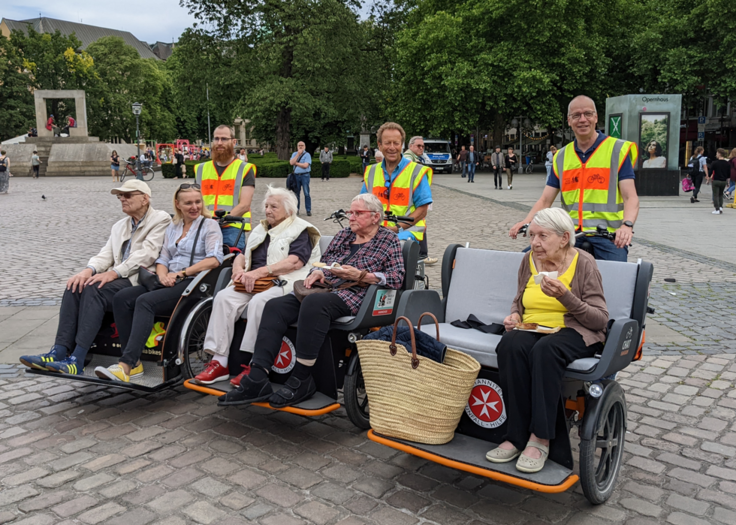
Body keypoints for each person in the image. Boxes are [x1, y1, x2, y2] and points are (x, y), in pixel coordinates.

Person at [218, 193, 405, 407]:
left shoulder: (388, 239)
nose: (350, 217)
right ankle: (258, 377)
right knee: (274, 306)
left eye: (357, 213)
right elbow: (323, 262)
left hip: (357, 293)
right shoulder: (344, 234)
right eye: (349, 212)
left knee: (313, 304)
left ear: (375, 217)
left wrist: (362, 276)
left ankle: (302, 378)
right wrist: (317, 272)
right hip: (324, 288)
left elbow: (396, 277)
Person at [487, 208, 607, 473]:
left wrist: (566, 296)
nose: (535, 243)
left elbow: (599, 319)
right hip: (533, 327)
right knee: (509, 345)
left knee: (546, 350)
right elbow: (519, 299)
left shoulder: (583, 262)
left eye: (543, 236)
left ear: (564, 238)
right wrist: (514, 315)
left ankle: (541, 437)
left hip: (574, 329)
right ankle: (516, 434)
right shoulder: (529, 260)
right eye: (532, 236)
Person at [19, 181, 171, 374]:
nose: (122, 199)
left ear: (145, 198)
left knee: (95, 289)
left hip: (138, 279)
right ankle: (59, 351)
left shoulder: (160, 219)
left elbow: (147, 254)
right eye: (120, 196)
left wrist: (113, 273)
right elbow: (105, 254)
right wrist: (88, 270)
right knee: (75, 286)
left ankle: (78, 358)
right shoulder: (119, 226)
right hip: (117, 278)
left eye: (128, 195)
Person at [193, 186, 322, 385]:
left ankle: (254, 364)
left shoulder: (301, 229)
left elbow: (294, 262)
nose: (268, 210)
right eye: (266, 206)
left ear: (289, 210)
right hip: (252, 281)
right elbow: (243, 255)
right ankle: (219, 361)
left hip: (284, 282)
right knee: (223, 298)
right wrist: (237, 268)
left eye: (274, 207)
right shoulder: (261, 228)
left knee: (260, 303)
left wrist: (260, 272)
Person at [96, 184, 224, 382]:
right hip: (170, 279)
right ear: (177, 204)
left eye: (197, 202)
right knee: (122, 298)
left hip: (194, 282)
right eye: (188, 203)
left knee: (145, 302)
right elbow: (163, 258)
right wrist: (163, 275)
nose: (194, 207)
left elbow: (214, 259)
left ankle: (126, 365)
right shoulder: (173, 226)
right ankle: (136, 362)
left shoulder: (209, 225)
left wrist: (180, 274)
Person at [509, 95, 640, 262]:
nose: (582, 119)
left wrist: (627, 226)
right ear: (569, 121)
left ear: (596, 117)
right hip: (570, 234)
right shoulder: (562, 156)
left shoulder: (617, 150)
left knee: (616, 277)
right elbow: (545, 200)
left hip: (607, 236)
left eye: (588, 114)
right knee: (527, 261)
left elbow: (631, 197)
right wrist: (526, 221)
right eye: (576, 115)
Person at [361, 122, 433, 248]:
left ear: (402, 145)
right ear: (380, 145)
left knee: (393, 246)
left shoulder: (416, 171)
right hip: (377, 232)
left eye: (396, 143)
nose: (392, 147)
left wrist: (396, 228)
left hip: (406, 232)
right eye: (388, 143)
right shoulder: (371, 171)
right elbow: (362, 205)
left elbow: (422, 210)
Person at [195, 125, 257, 251]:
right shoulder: (201, 169)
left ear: (233, 142)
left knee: (232, 263)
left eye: (224, 139)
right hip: (204, 225)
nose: (219, 143)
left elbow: (244, 205)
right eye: (216, 139)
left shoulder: (244, 169)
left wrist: (220, 222)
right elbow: (194, 199)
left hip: (232, 226)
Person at [402, 136, 438, 265]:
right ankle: (421, 255)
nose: (421, 148)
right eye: (418, 146)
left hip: (417, 198)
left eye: (422, 146)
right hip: (412, 201)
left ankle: (420, 254)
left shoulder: (415, 157)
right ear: (410, 146)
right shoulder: (408, 158)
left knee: (420, 225)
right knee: (418, 225)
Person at [289, 141, 312, 216]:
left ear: (305, 147)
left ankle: (308, 210)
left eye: (302, 145)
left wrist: (296, 163)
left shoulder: (307, 155)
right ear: (297, 146)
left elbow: (305, 165)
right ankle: (297, 209)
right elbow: (291, 163)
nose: (300, 147)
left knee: (306, 193)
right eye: (299, 145)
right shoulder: (294, 154)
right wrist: (298, 154)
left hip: (305, 176)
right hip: (296, 176)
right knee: (296, 193)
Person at [707, 148, 730, 215]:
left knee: (716, 195)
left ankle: (717, 209)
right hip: (723, 181)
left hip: (716, 180)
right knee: (720, 194)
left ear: (719, 154)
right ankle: (720, 207)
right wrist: (727, 182)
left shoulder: (714, 163)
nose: (716, 155)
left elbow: (710, 172)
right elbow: (729, 174)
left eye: (717, 153)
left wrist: (708, 177)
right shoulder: (727, 163)